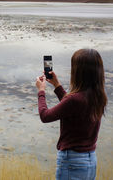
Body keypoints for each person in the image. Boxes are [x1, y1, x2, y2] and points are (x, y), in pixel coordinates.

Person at [35, 49, 107, 180]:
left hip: (72, 162)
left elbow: (45, 116)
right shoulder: (98, 96)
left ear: (78, 72)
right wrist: (57, 85)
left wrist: (41, 91)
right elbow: (73, 107)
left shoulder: (75, 99)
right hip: (90, 160)